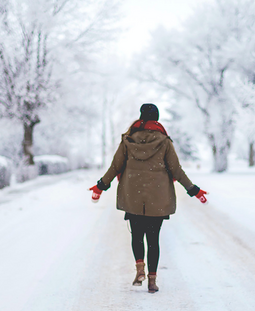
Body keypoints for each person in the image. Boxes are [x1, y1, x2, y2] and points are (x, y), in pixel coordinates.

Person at [89, 103, 207, 293]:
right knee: (153, 240)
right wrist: (194, 190)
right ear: (157, 119)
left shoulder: (128, 140)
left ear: (141, 118)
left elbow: (115, 166)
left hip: (132, 196)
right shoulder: (165, 142)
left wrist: (101, 185)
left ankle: (140, 268)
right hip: (157, 198)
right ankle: (152, 282)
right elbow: (176, 170)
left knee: (136, 235)